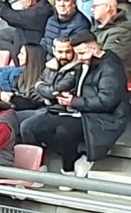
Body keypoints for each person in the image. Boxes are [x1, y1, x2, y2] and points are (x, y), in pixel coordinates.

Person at [20, 35, 129, 176]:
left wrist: (74, 101)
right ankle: (37, 171)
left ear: (94, 49)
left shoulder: (110, 68)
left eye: (82, 53)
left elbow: (107, 101)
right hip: (77, 111)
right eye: (77, 54)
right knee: (28, 127)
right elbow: (62, 87)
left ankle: (69, 169)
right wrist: (65, 96)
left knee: (63, 131)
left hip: (102, 117)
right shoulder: (83, 63)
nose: (79, 57)